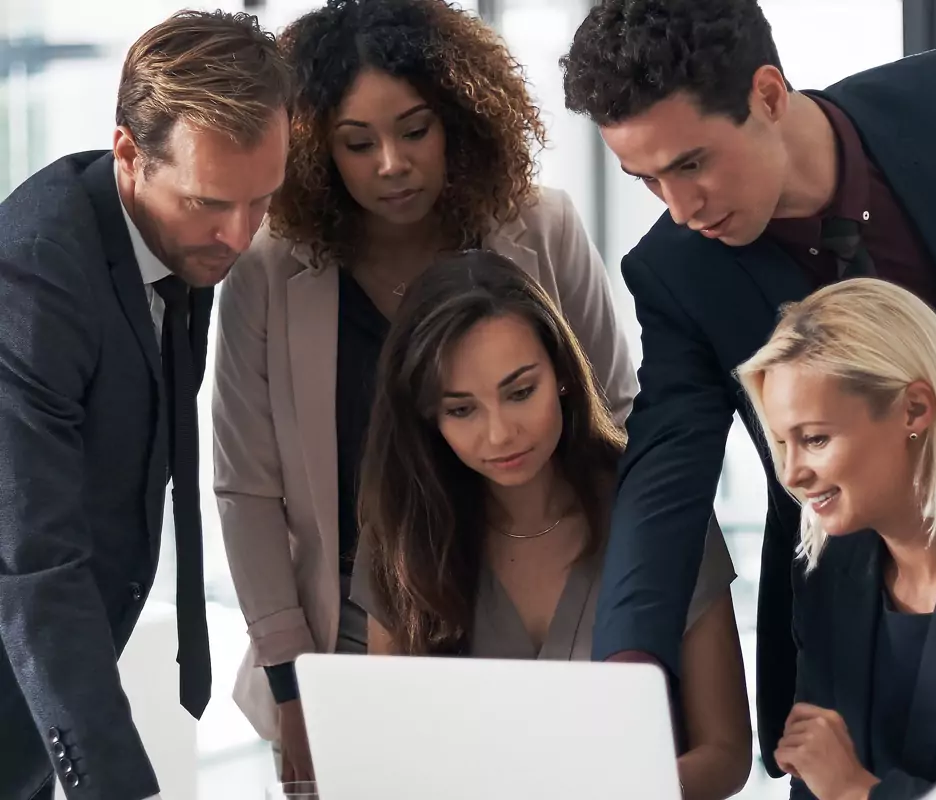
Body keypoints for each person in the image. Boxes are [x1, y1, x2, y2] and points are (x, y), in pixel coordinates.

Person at [559, 0, 936, 775]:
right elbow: (666, 473)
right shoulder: (677, 271)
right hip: (859, 626)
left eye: (692, 163)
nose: (681, 208)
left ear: (768, 95)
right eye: (646, 180)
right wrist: (629, 670)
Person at [212, 0, 640, 784]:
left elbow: (616, 413)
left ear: (461, 119)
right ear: (315, 149)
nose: (391, 164)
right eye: (356, 143)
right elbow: (246, 489)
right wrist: (291, 684)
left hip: (536, 609)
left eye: (415, 130)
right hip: (342, 631)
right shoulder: (266, 271)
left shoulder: (542, 227)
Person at [0, 11, 291, 800]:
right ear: (129, 152)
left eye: (262, 201)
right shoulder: (35, 278)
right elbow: (35, 563)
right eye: (209, 203)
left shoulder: (175, 241)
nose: (237, 236)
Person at [349, 249, 751, 800]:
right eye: (462, 409)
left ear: (561, 373)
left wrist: (614, 790)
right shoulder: (402, 533)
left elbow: (726, 755)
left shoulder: (656, 511)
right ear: (426, 414)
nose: (500, 435)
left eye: (519, 392)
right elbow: (388, 759)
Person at [735, 278, 936, 799]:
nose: (791, 474)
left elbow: (835, 785)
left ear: (914, 409)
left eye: (815, 439)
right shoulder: (827, 574)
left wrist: (857, 791)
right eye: (783, 443)